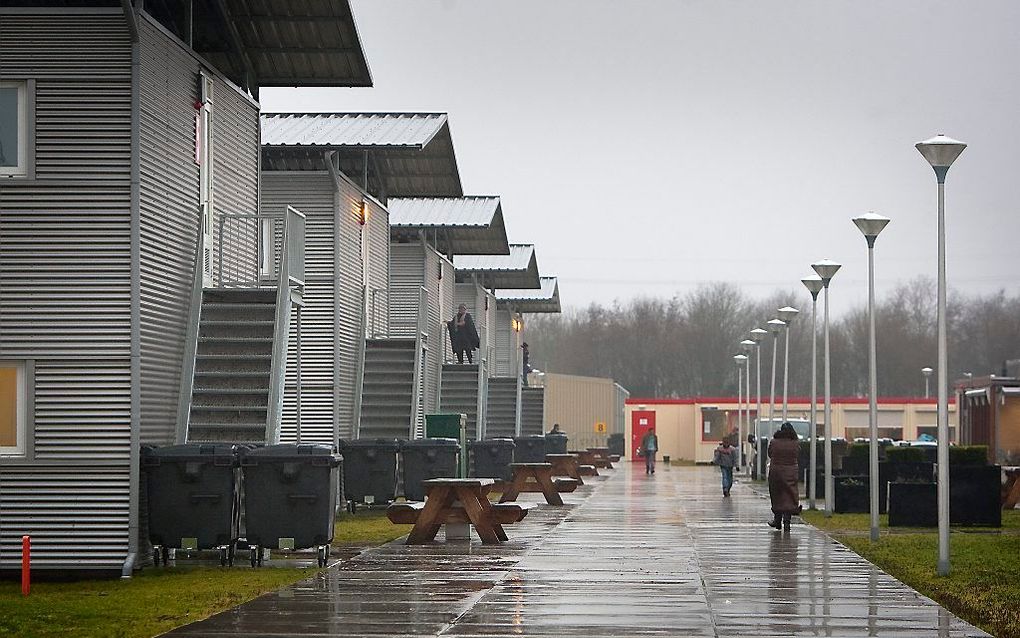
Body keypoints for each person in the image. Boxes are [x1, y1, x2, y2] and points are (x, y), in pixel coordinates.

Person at [767, 422, 801, 530]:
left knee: (777, 495)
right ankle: (787, 521)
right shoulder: (795, 443)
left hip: (776, 471)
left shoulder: (774, 442)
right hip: (791, 471)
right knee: (789, 495)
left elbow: (770, 453)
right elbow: (797, 454)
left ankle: (777, 520)